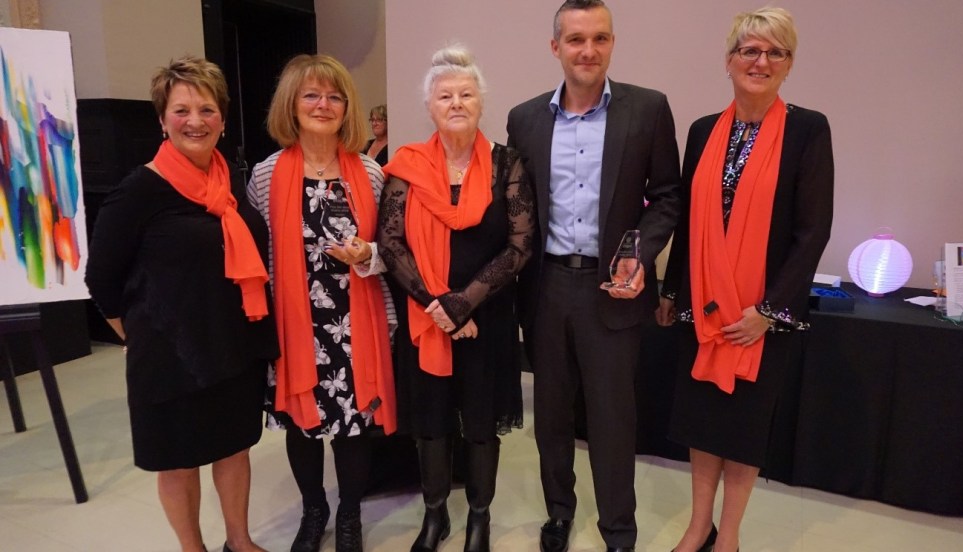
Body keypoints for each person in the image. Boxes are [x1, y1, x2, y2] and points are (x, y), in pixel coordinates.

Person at [655, 7, 834, 552]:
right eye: (750, 50)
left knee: (743, 429)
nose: (761, 61)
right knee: (702, 423)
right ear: (729, 60)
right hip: (704, 307)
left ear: (789, 64)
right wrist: (671, 290)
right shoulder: (702, 131)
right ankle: (698, 525)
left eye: (775, 52)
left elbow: (813, 231)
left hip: (760, 316)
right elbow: (688, 221)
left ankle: (728, 534)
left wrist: (769, 311)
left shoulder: (808, 129)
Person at [506, 1, 681, 551]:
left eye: (600, 38)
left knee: (612, 419)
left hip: (614, 291)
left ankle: (618, 529)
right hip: (546, 288)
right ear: (555, 46)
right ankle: (559, 513)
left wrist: (639, 252)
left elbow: (668, 197)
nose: (588, 50)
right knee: (552, 416)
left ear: (612, 43)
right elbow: (516, 208)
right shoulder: (524, 118)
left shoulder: (647, 109)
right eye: (576, 39)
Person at [85, 56, 278, 552]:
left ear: (223, 119)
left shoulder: (228, 181)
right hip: (170, 357)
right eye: (182, 110)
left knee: (235, 449)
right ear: (162, 119)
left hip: (234, 345)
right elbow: (100, 279)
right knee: (177, 462)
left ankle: (239, 541)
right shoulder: (138, 190)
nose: (196, 121)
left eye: (207, 110)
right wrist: (138, 337)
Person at [378, 45, 534, 552]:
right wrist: (439, 306)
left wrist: (464, 304)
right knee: (431, 424)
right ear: (430, 106)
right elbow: (390, 243)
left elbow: (520, 245)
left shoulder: (506, 163)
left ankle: (480, 519)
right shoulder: (406, 165)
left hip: (486, 316)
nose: (456, 103)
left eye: (466, 94)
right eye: (445, 96)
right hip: (427, 316)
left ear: (481, 102)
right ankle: (435, 516)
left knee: (481, 424)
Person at [246, 54, 397, 552]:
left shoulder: (370, 173)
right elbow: (256, 254)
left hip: (356, 321)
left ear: (346, 107)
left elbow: (392, 249)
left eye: (334, 97)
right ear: (291, 104)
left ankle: (350, 514)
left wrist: (367, 254)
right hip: (295, 324)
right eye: (311, 95)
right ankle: (314, 510)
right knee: (302, 425)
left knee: (354, 426)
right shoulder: (266, 175)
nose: (323, 105)